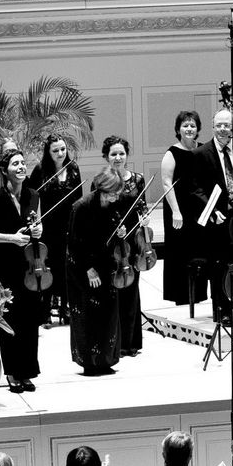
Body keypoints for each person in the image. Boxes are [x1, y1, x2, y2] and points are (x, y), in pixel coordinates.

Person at [190, 106, 233, 325]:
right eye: (218, 125)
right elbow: (195, 189)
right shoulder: (200, 154)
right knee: (219, 265)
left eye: (226, 125)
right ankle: (222, 309)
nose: (222, 129)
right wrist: (212, 211)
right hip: (217, 219)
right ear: (212, 127)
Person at [0, 147, 41, 392]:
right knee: (9, 320)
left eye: (23, 163)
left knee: (29, 319)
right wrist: (11, 238)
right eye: (15, 164)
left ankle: (27, 371)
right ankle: (13, 372)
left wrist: (38, 231)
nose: (21, 167)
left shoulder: (33, 195)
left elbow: (39, 224)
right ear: (5, 170)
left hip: (28, 265)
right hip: (3, 266)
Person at [66, 168, 124, 375]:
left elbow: (112, 238)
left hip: (106, 265)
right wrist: (89, 270)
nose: (116, 197)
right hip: (83, 267)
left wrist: (120, 233)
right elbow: (74, 243)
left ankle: (106, 359)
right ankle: (89, 362)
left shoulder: (112, 206)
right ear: (102, 189)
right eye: (113, 193)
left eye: (118, 193)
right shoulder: (81, 207)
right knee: (87, 313)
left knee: (108, 312)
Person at [26, 133, 82, 322]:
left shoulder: (73, 168)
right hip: (48, 228)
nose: (60, 153)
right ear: (48, 152)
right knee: (50, 266)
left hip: (69, 226)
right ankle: (46, 309)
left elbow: (79, 200)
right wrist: (35, 221)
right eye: (55, 150)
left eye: (63, 149)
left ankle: (66, 306)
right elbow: (31, 198)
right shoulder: (41, 170)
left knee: (67, 267)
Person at [100, 135, 148, 356]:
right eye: (113, 154)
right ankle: (115, 343)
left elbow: (143, 208)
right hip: (111, 242)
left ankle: (130, 343)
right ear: (106, 157)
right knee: (113, 293)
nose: (118, 157)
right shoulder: (101, 181)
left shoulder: (137, 179)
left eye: (121, 153)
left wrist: (144, 219)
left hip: (132, 243)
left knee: (131, 291)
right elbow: (97, 213)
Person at [158, 110, 206, 305]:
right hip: (178, 208)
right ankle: (181, 296)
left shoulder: (202, 150)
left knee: (199, 250)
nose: (189, 129)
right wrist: (176, 212)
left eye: (192, 125)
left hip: (199, 208)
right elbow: (166, 183)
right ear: (178, 129)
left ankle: (199, 295)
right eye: (185, 125)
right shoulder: (172, 153)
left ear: (198, 129)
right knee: (180, 251)